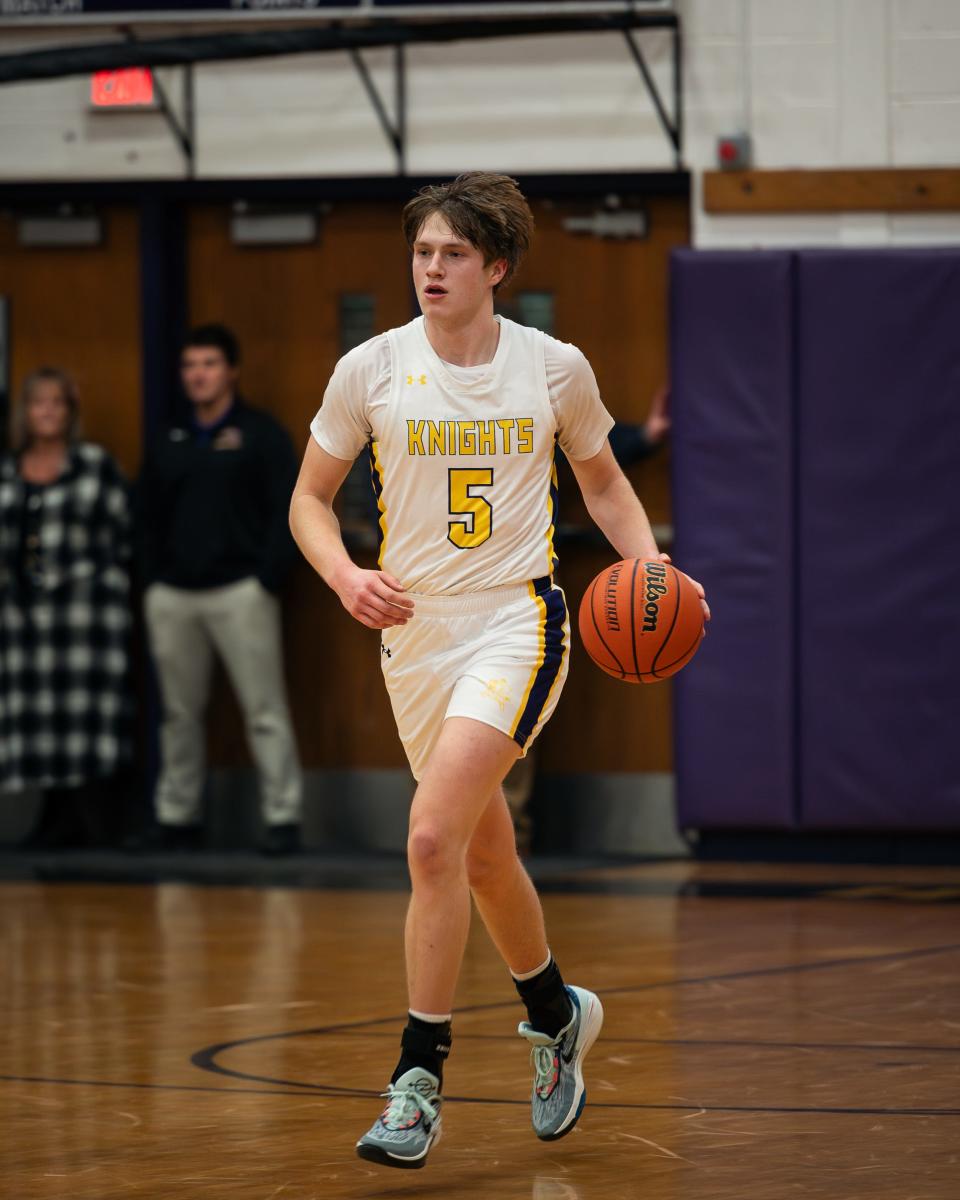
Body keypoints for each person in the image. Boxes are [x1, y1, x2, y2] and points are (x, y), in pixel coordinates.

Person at [290, 173, 709, 1169]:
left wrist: (649, 571)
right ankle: (558, 1015)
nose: (432, 269)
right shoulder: (371, 368)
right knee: (480, 857)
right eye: (422, 253)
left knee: (432, 839)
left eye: (452, 255)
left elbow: (604, 483)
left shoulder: (553, 368)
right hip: (413, 634)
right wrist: (346, 575)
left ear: (497, 268)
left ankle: (417, 1079)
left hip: (519, 621)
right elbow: (309, 499)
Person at [138, 324, 303, 855]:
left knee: (265, 708)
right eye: (190, 366)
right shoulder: (169, 436)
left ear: (231, 370)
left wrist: (267, 578)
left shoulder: (260, 435)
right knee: (178, 713)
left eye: (209, 364)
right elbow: (144, 515)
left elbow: (293, 508)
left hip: (241, 591)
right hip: (174, 595)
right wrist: (151, 580)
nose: (199, 375)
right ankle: (177, 815)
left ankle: (283, 818)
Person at [0, 367, 133, 847]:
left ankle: (95, 824)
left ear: (70, 411)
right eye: (39, 403)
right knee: (40, 719)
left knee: (87, 717)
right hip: (24, 620)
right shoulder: (9, 470)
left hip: (86, 615)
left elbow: (123, 534)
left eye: (57, 402)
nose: (48, 412)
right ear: (26, 412)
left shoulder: (95, 465)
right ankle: (52, 821)